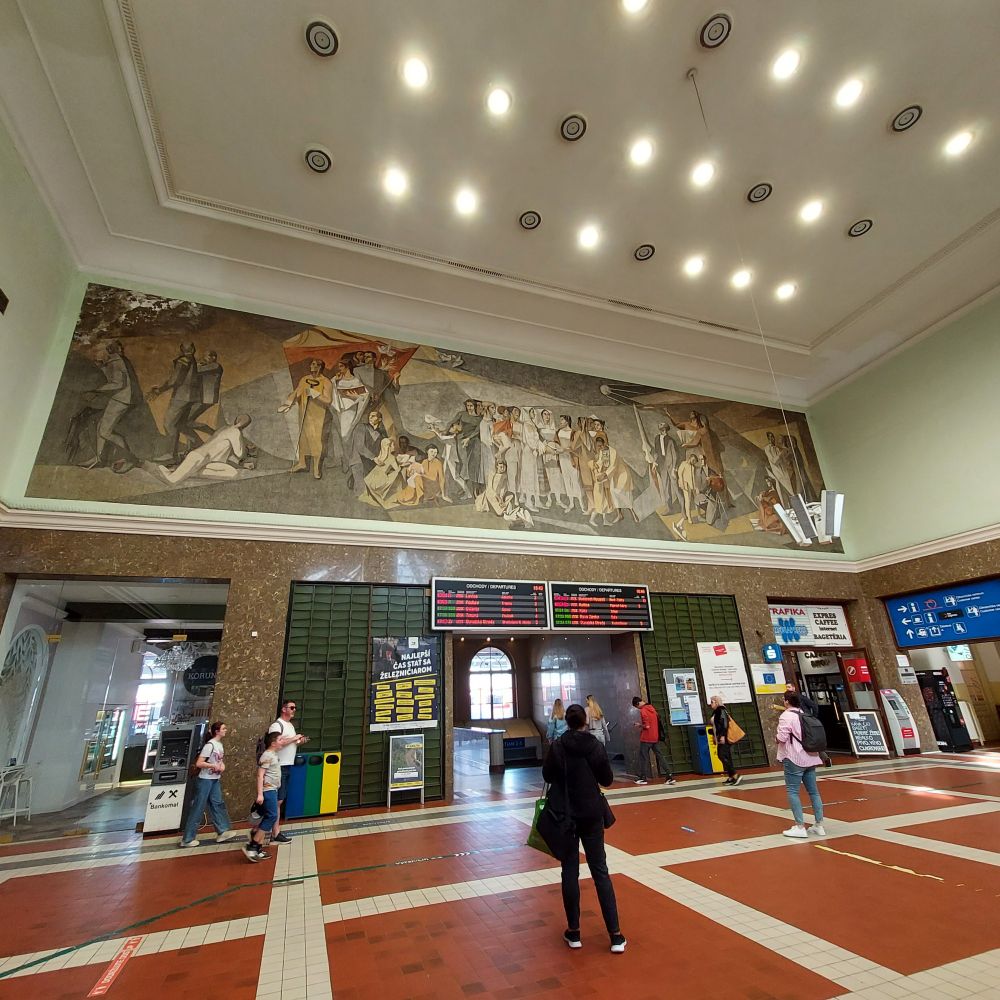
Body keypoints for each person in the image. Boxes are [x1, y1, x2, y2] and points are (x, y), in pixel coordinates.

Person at [541, 703, 627, 954]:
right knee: (600, 870)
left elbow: (547, 776)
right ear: (584, 722)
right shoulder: (594, 745)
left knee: (569, 871)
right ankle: (615, 935)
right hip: (591, 814)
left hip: (565, 815)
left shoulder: (558, 746)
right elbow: (607, 780)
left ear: (567, 722)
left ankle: (574, 932)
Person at [179, 721, 241, 847]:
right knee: (198, 807)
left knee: (217, 803)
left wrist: (222, 766)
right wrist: (213, 766)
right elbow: (199, 763)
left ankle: (222, 831)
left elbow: (219, 760)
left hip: (214, 779)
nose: (226, 730)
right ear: (217, 731)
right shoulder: (210, 745)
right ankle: (188, 838)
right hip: (205, 780)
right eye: (223, 728)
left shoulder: (219, 745)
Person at [776, 691, 826, 839]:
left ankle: (799, 826)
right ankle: (819, 825)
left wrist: (776, 738)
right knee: (814, 792)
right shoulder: (804, 714)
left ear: (786, 702)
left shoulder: (786, 716)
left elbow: (782, 737)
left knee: (793, 791)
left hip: (794, 757)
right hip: (811, 757)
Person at [152, 414, 254, 484]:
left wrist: (242, 465)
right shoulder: (235, 432)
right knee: (172, 480)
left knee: (232, 473)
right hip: (198, 457)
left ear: (236, 419)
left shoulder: (224, 428)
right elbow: (239, 454)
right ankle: (155, 468)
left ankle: (189, 471)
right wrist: (245, 446)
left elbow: (224, 456)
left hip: (205, 461)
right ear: (245, 426)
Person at [279, 358, 333, 479]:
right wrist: (289, 402)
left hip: (317, 415)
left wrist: (314, 393)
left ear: (320, 367)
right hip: (303, 412)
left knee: (316, 440)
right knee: (302, 438)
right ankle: (302, 463)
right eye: (312, 364)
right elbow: (297, 391)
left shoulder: (326, 382)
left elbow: (328, 400)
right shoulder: (305, 379)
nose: (312, 366)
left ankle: (316, 468)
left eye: (315, 364)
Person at [266, 700, 309, 844]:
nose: (294, 710)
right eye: (291, 707)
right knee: (277, 800)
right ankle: (274, 831)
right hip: (278, 766)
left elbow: (290, 743)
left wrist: (299, 741)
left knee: (279, 799)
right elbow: (275, 743)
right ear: (284, 709)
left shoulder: (290, 725)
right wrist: (294, 738)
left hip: (287, 765)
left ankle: (272, 830)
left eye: (295, 708)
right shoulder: (276, 725)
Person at [244, 731, 280, 862]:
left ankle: (257, 847)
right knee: (272, 816)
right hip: (268, 790)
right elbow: (260, 775)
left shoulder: (273, 754)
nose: (283, 741)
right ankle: (252, 845)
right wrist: (260, 794)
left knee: (268, 816)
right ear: (273, 743)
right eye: (280, 739)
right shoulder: (267, 755)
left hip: (273, 789)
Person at [632, 696, 676, 785]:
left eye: (637, 707)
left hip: (646, 738)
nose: (638, 708)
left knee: (643, 757)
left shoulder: (643, 710)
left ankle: (643, 778)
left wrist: (639, 725)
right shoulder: (652, 708)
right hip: (655, 737)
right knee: (660, 756)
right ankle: (669, 776)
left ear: (638, 704)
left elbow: (647, 726)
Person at [786, 683, 832, 767]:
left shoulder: (800, 697)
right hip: (800, 721)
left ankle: (824, 758)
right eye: (786, 687)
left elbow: (813, 705)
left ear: (794, 688)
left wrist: (813, 717)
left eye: (789, 687)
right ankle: (823, 758)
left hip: (805, 721)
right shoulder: (789, 700)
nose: (787, 689)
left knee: (809, 740)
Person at [709, 695, 742, 786]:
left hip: (725, 737)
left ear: (717, 702)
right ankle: (731, 776)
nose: (710, 704)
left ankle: (735, 775)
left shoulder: (721, 710)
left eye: (712, 702)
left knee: (721, 755)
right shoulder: (716, 711)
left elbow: (724, 724)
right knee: (725, 756)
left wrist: (722, 735)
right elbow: (716, 725)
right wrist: (714, 734)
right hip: (720, 737)